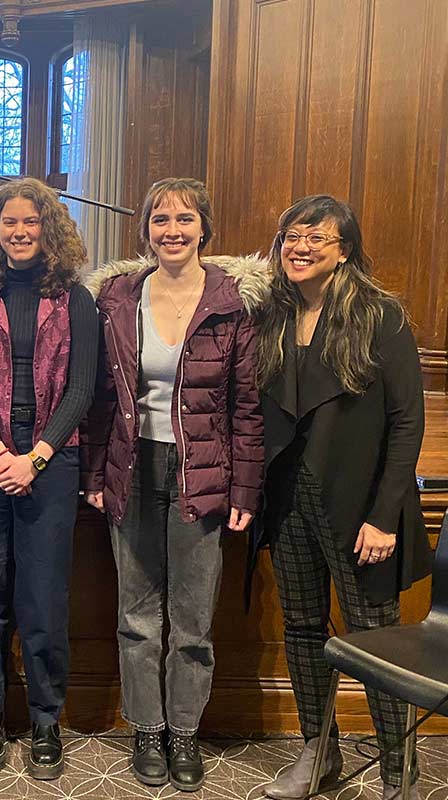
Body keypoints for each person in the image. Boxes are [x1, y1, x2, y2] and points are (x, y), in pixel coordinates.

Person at [80, 177, 265, 792]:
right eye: (161, 219)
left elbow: (245, 408)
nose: (172, 230)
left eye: (184, 219)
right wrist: (94, 474)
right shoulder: (117, 297)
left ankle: (184, 731)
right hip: (131, 468)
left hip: (202, 474)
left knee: (191, 620)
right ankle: (146, 730)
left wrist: (243, 493)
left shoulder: (228, 301)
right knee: (136, 613)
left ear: (203, 229)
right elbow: (103, 398)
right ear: (147, 231)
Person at [255, 195, 432, 800]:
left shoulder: (380, 316)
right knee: (303, 628)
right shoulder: (272, 315)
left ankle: (396, 774)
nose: (299, 247)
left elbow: (408, 423)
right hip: (290, 502)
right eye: (290, 236)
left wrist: (384, 517)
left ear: (345, 251)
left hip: (361, 509)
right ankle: (318, 751)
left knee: (375, 640)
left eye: (315, 238)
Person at [0, 178, 97, 778]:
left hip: (51, 461)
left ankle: (44, 717)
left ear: (49, 229)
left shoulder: (76, 302)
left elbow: (83, 389)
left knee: (42, 594)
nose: (19, 232)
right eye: (8, 223)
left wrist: (33, 457)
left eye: (30, 222)